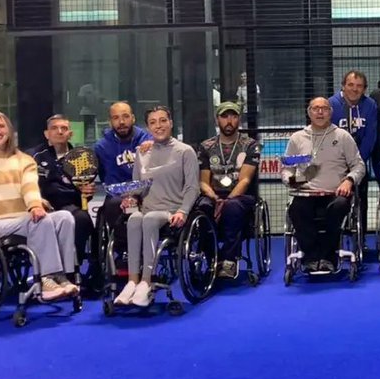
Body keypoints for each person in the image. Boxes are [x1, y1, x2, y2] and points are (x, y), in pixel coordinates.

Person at [0, 111, 79, 302]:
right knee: (41, 221)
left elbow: (29, 188)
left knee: (65, 218)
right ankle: (46, 279)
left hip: (21, 218)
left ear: (9, 130)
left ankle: (62, 276)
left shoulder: (24, 160)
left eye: (1, 126)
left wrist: (35, 205)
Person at [113, 106, 200, 308]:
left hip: (171, 210)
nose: (158, 126)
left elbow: (192, 188)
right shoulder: (141, 152)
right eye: (153, 122)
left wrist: (183, 211)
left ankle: (146, 281)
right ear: (147, 126)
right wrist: (131, 199)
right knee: (134, 219)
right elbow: (137, 186)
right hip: (146, 209)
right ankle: (132, 282)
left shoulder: (185, 151)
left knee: (150, 219)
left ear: (170, 123)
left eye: (163, 121)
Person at [281, 97, 365, 272]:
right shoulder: (297, 138)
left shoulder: (342, 136)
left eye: (324, 109)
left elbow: (359, 165)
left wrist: (349, 181)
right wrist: (290, 180)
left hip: (335, 193)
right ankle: (311, 258)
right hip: (305, 194)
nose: (320, 112)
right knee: (297, 209)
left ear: (330, 113)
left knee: (339, 207)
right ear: (309, 112)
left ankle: (328, 257)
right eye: (316, 108)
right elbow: (286, 169)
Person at [31, 114, 99, 293]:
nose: (59, 131)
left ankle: (71, 271)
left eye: (64, 128)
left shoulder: (81, 158)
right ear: (47, 134)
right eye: (54, 128)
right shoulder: (33, 157)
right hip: (43, 207)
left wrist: (88, 193)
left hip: (71, 206)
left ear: (70, 134)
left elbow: (84, 190)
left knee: (83, 219)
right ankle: (51, 273)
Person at [196, 102, 261, 279]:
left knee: (232, 207)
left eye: (233, 116)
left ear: (239, 119)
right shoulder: (206, 146)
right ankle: (211, 258)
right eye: (225, 117)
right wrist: (215, 198)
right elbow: (203, 181)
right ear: (217, 120)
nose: (229, 121)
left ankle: (228, 260)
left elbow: (245, 180)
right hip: (213, 194)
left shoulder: (250, 145)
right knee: (202, 208)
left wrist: (226, 201)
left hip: (241, 196)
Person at [93, 101, 152, 242]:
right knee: (113, 205)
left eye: (125, 116)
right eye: (116, 118)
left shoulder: (149, 140)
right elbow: (99, 175)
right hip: (119, 196)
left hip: (148, 193)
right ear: (110, 121)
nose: (121, 122)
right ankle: (124, 249)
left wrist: (155, 146)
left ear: (133, 118)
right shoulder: (101, 147)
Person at [330, 70, 378, 242]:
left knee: (361, 199)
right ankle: (334, 238)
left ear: (364, 89)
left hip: (359, 161)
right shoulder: (332, 104)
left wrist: (358, 161)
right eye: (351, 85)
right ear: (343, 86)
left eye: (359, 86)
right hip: (336, 162)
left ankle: (360, 239)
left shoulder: (370, 105)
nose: (354, 89)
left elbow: (370, 136)